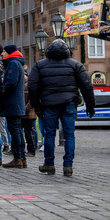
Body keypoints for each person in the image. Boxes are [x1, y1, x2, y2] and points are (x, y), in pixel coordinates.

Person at [28, 38, 95, 177]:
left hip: (49, 104)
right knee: (69, 135)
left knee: (49, 134)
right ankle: (68, 166)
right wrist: (90, 105)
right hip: (69, 103)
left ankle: (49, 163)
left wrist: (36, 106)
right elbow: (87, 86)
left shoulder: (40, 65)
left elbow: (32, 87)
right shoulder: (75, 64)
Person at [0, 44, 27, 169]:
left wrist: (0, 92)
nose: (2, 54)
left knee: (14, 131)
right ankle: (21, 158)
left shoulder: (13, 64)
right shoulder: (17, 63)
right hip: (16, 103)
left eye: (3, 52)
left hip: (12, 103)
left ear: (9, 53)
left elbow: (11, 83)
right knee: (17, 131)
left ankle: (17, 158)